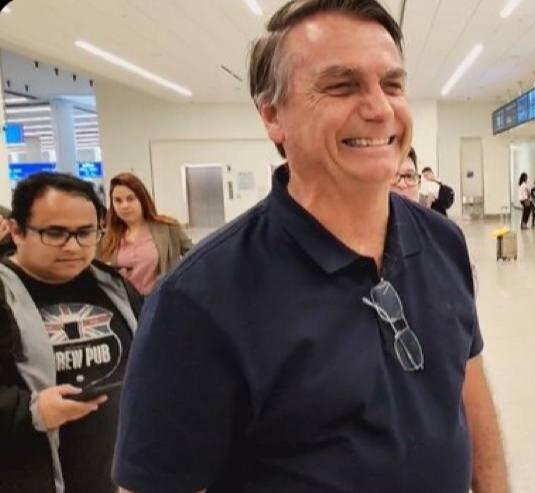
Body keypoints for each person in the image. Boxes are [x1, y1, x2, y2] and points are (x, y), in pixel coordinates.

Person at [113, 2, 508, 492]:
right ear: (273, 116)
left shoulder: (442, 241)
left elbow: (470, 398)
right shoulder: (199, 300)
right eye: (342, 86)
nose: (380, 109)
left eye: (392, 84)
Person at [0, 172, 142, 493]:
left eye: (85, 233)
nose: (73, 246)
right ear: (17, 231)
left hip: (112, 476)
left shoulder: (114, 287)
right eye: (55, 233)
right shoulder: (4, 295)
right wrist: (31, 410)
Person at [97, 173, 192, 295]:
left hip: (159, 301)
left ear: (142, 199)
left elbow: (195, 256)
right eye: (118, 201)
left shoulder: (168, 228)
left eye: (130, 199)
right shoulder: (106, 237)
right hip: (124, 302)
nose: (124, 206)